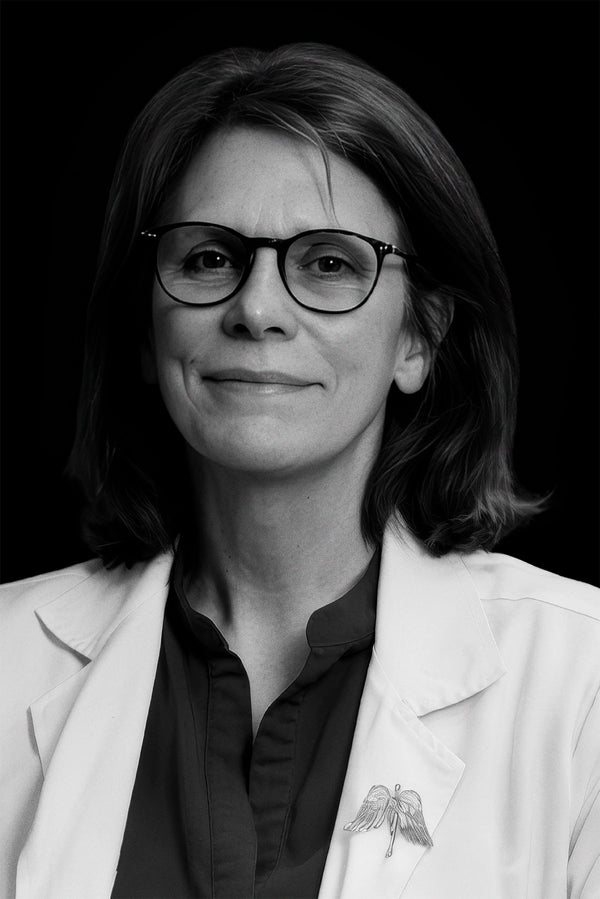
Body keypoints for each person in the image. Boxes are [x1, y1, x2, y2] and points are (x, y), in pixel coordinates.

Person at [1, 41, 598, 899]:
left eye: (328, 263)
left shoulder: (581, 679)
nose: (256, 309)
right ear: (144, 326)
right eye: (210, 257)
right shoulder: (7, 658)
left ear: (419, 337)